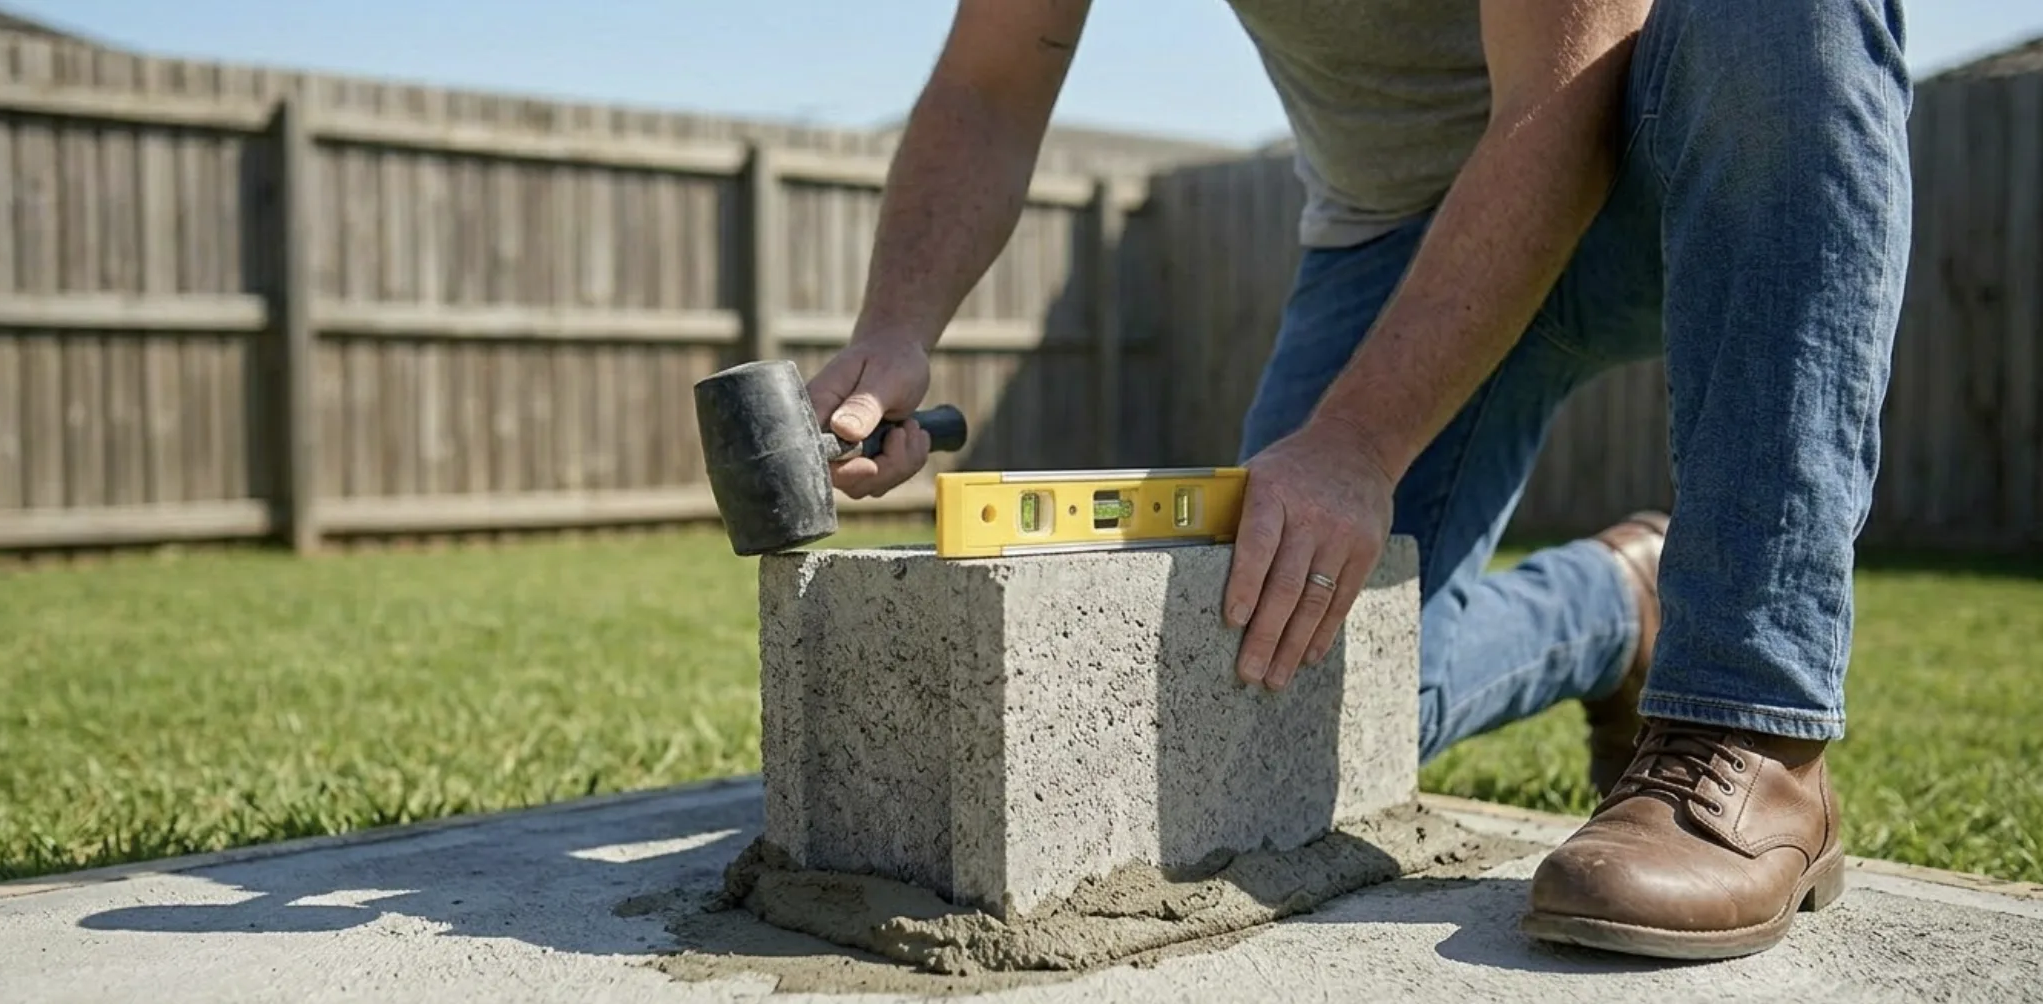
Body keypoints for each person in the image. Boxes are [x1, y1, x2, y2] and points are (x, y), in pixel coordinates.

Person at [804, 0, 1911, 961]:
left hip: (1652, 136)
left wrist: (1357, 440)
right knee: (1261, 701)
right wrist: (895, 323)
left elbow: (1564, 86)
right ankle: (1616, 604)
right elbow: (989, 87)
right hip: (1391, 236)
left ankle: (1747, 718)